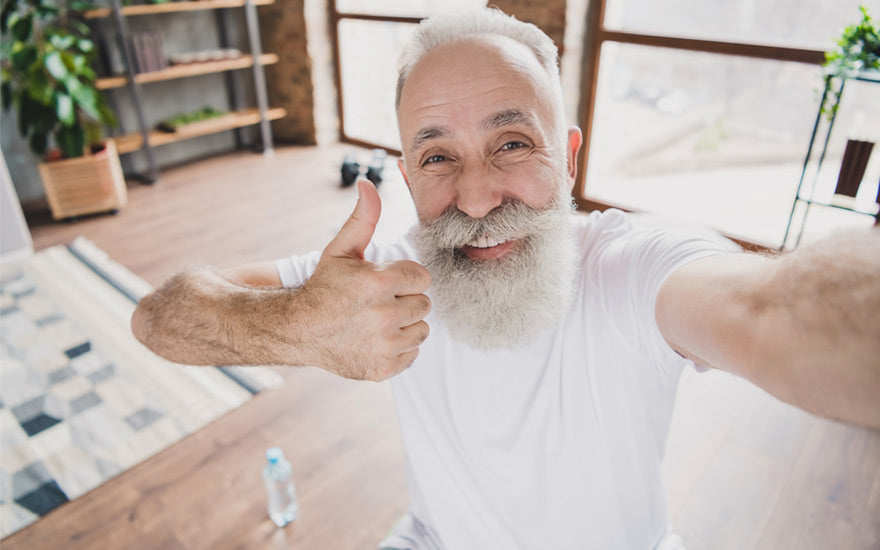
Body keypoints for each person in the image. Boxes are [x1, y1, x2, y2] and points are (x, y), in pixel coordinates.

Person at [131, 8, 880, 550]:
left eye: (512, 143)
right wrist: (293, 323)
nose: (478, 197)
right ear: (406, 175)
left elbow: (779, 314)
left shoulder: (633, 266)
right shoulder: (377, 276)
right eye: (437, 157)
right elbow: (158, 318)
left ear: (570, 155)